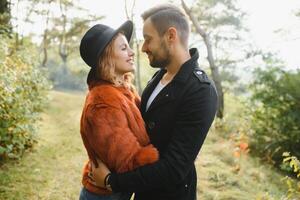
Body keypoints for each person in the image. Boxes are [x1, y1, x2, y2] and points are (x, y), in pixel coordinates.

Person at [90, 4, 218, 200]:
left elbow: (174, 169)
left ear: (171, 36)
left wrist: (111, 182)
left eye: (148, 40)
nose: (142, 48)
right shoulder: (158, 78)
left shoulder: (200, 91)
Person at [78, 20, 159, 200]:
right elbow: (129, 161)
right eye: (123, 49)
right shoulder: (103, 99)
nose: (131, 53)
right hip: (104, 195)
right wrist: (168, 159)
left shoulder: (123, 90)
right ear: (107, 58)